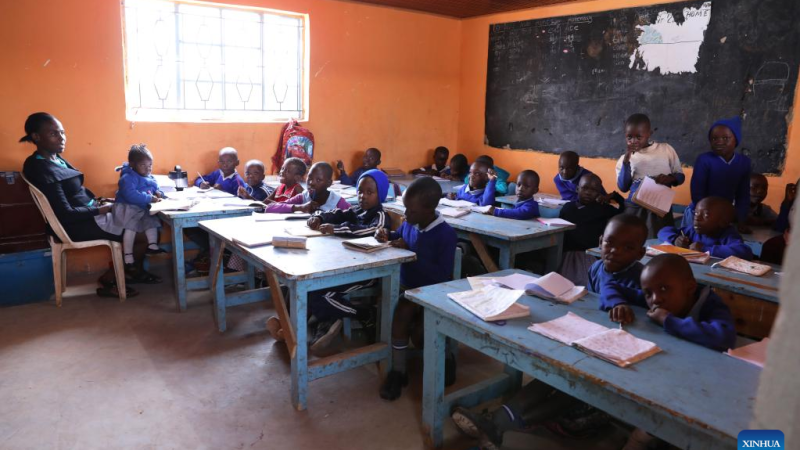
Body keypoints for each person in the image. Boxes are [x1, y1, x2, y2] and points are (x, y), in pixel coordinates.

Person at [621, 254, 736, 450]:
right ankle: (647, 433)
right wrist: (617, 303)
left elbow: (724, 337)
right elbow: (613, 287)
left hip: (706, 385)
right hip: (669, 374)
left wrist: (668, 320)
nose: (655, 299)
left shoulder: (710, 304)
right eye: (648, 293)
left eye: (664, 289)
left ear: (690, 288)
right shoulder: (659, 296)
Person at [20, 112, 138, 298]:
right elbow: (65, 213)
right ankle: (113, 279)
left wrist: (101, 202)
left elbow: (75, 194)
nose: (61, 138)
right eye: (54, 134)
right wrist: (102, 209)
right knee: (137, 225)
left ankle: (126, 272)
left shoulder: (54, 159)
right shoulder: (41, 168)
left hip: (88, 215)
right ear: (36, 137)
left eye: (62, 132)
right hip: (74, 226)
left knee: (140, 213)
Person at [375, 177, 458, 401]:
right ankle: (398, 372)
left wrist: (411, 252)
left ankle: (447, 357)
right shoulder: (411, 223)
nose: (405, 215)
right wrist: (386, 235)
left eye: (410, 210)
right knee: (401, 312)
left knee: (422, 334)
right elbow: (398, 235)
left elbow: (441, 274)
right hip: (408, 286)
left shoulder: (445, 235)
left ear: (429, 209)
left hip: (434, 291)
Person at [303, 169, 391, 351]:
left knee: (316, 294)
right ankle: (324, 321)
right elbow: (338, 213)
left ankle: (363, 314)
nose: (363, 197)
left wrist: (336, 229)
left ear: (380, 194)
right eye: (360, 191)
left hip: (368, 272)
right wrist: (318, 217)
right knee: (310, 286)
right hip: (346, 266)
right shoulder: (356, 210)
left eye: (369, 192)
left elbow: (366, 231)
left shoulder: (380, 217)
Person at [615, 113, 684, 238]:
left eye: (639, 137)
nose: (633, 141)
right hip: (635, 208)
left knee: (658, 242)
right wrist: (626, 161)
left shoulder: (665, 150)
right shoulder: (624, 159)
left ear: (649, 133)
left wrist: (671, 178)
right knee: (633, 240)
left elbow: (680, 176)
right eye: (629, 137)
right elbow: (623, 187)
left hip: (659, 209)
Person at [106, 144, 166, 283]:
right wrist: (149, 198)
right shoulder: (127, 177)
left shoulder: (150, 176)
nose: (148, 168)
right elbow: (130, 195)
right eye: (143, 165)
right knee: (131, 228)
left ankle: (152, 245)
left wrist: (159, 194)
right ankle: (128, 257)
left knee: (152, 222)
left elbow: (156, 189)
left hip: (142, 209)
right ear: (132, 164)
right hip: (127, 209)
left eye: (150, 165)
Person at [683, 116, 751, 234]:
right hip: (699, 214)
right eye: (714, 138)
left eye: (726, 138)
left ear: (736, 140)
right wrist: (706, 215)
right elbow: (697, 193)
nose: (719, 142)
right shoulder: (704, 160)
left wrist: (741, 220)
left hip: (723, 216)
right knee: (691, 244)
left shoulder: (744, 162)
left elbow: (743, 194)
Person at [558, 174, 625, 285]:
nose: (588, 193)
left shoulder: (604, 209)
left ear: (599, 193)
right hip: (569, 255)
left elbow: (623, 211)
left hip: (591, 255)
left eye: (594, 190)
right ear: (577, 188)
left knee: (589, 284)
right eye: (585, 188)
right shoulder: (568, 208)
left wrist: (614, 196)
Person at [588, 214, 649, 324]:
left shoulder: (643, 279)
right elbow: (590, 300)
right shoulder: (595, 268)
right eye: (610, 242)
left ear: (640, 253)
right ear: (601, 242)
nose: (615, 251)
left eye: (628, 248)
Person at [658, 196, 754, 260]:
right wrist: (675, 239)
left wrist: (705, 249)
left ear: (723, 222)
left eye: (706, 215)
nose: (697, 218)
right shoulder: (692, 231)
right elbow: (663, 231)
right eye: (696, 213)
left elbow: (744, 252)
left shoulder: (727, 235)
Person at [265, 162, 349, 214]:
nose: (311, 183)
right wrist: (300, 207)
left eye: (318, 180)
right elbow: (269, 208)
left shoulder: (337, 201)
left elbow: (354, 216)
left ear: (329, 183)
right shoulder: (303, 197)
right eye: (310, 178)